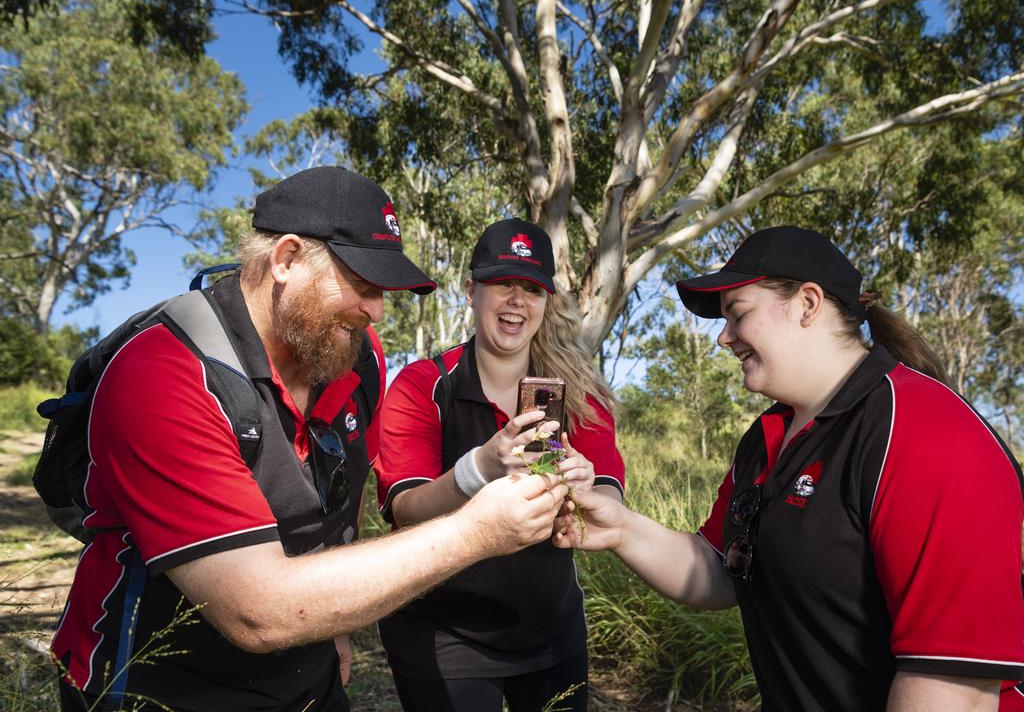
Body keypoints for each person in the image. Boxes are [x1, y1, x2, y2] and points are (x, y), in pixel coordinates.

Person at [51, 167, 568, 712]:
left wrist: (334, 626)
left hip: (306, 675)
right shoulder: (162, 373)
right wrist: (477, 532)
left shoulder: (359, 359)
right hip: (157, 683)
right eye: (364, 286)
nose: (376, 311)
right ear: (287, 259)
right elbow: (256, 610)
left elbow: (342, 503)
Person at [554, 225, 1024, 711]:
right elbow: (720, 569)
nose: (723, 338)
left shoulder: (928, 434)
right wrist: (620, 529)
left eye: (737, 315)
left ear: (807, 304)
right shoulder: (765, 440)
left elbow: (954, 688)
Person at [373, 218, 625, 712]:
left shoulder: (579, 392)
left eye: (531, 288)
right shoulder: (424, 385)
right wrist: (481, 467)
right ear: (471, 291)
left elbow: (611, 493)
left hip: (552, 629)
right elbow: (405, 510)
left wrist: (587, 493)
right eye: (502, 283)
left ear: (547, 301)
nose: (516, 300)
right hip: (443, 632)